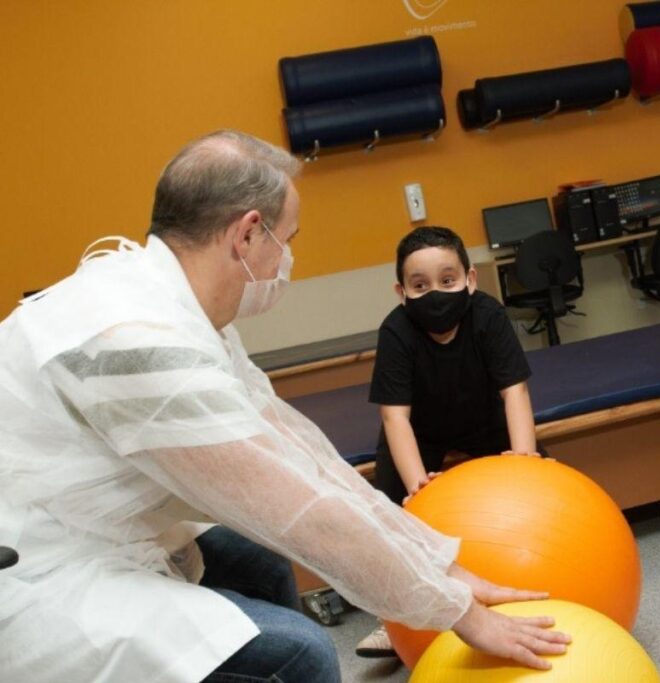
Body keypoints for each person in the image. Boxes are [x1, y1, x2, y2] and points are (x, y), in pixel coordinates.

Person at [0, 130, 569, 683]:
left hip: (88, 529)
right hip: (33, 570)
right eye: (287, 239)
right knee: (295, 656)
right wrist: (459, 613)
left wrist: (439, 565)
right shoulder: (136, 338)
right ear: (248, 235)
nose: (288, 257)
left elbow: (301, 456)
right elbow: (298, 511)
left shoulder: (182, 311)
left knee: (258, 564)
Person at [356, 225, 542, 658]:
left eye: (448, 280)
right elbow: (394, 416)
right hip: (420, 431)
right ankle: (392, 619)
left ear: (470, 280)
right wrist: (420, 488)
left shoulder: (488, 315)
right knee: (389, 509)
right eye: (420, 286)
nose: (436, 293)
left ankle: (536, 583)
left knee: (542, 481)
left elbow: (515, 390)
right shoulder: (396, 331)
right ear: (401, 291)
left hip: (485, 422)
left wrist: (526, 459)